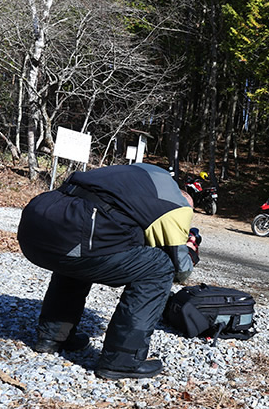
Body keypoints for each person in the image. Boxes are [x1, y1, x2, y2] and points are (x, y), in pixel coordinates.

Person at [17, 163, 199, 380]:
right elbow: (181, 271)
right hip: (78, 232)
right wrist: (190, 250)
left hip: (37, 227)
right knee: (159, 267)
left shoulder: (138, 180)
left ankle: (53, 337)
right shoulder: (177, 205)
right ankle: (122, 360)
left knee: (83, 255)